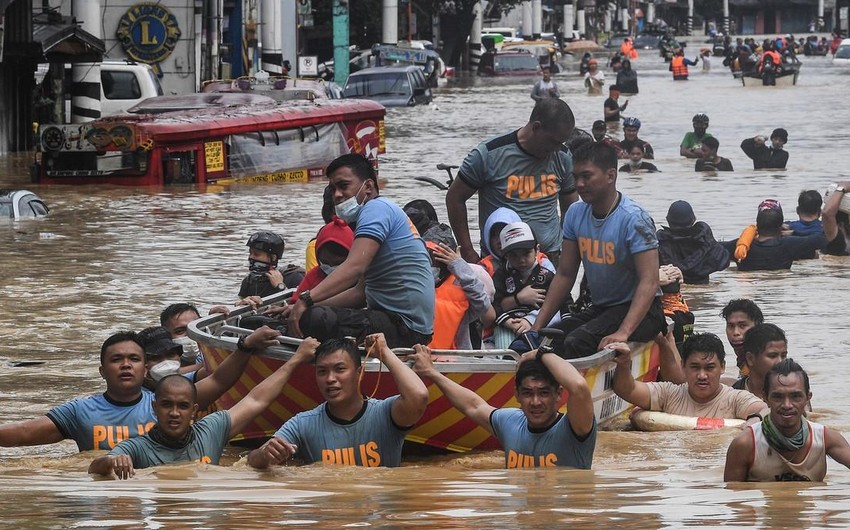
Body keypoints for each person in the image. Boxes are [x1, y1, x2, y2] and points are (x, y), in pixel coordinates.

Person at [0, 327, 280, 452]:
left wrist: (245, 346)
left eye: (133, 359)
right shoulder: (80, 411)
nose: (125, 365)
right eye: (116, 360)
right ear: (102, 371)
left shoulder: (167, 404)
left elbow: (219, 382)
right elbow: (24, 433)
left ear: (145, 368)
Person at [88, 338, 322, 478]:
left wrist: (296, 359)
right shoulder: (137, 447)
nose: (175, 413)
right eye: (167, 405)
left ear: (194, 411)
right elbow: (95, 468)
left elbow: (256, 400)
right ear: (155, 407)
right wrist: (109, 463)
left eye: (183, 406)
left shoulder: (212, 429)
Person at [279, 154, 434, 348]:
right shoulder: (376, 213)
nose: (336, 195)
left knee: (315, 319)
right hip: (401, 324)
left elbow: (355, 267)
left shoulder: (376, 209)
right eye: (333, 188)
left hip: (405, 328)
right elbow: (359, 294)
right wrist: (302, 307)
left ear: (368, 187)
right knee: (303, 314)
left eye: (343, 186)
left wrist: (306, 300)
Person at [529, 141, 667, 359]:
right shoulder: (575, 213)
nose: (579, 184)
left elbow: (649, 282)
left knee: (577, 342)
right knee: (551, 338)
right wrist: (536, 328)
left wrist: (623, 332)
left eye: (587, 176)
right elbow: (565, 274)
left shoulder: (634, 219)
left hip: (644, 312)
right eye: (575, 177)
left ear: (611, 175)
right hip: (602, 307)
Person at [246, 334, 428, 468]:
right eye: (322, 371)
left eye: (340, 369)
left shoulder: (385, 413)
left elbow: (419, 396)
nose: (330, 379)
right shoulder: (303, 424)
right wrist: (265, 455)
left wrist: (385, 353)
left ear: (359, 373)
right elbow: (250, 462)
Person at [409, 343, 596, 468]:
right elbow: (473, 406)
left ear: (559, 394)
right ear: (517, 395)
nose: (536, 402)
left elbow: (579, 386)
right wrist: (431, 373)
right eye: (528, 393)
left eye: (544, 393)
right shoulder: (510, 422)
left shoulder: (576, 427)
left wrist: (540, 353)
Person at [446, 98, 577, 268]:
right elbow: (454, 198)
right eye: (553, 142)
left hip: (549, 258)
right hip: (501, 260)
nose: (556, 149)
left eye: (562, 143)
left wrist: (567, 249)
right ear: (536, 127)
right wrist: (468, 251)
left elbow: (571, 208)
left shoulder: (563, 157)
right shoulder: (489, 154)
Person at [724, 359, 850, 481]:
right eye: (778, 397)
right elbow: (733, 497)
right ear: (765, 398)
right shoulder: (745, 444)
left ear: (808, 398)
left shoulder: (826, 439)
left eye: (795, 396)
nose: (787, 405)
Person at [611, 333, 766, 420]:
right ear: (683, 366)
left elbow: (763, 411)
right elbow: (627, 389)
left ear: (723, 367)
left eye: (710, 368)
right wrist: (624, 364)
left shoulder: (735, 399)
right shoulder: (669, 394)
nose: (702, 375)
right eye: (695, 367)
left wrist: (752, 425)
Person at [491, 222, 560, 347]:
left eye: (526, 253)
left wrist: (531, 320)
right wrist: (508, 322)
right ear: (505, 255)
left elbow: (562, 304)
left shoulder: (547, 275)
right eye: (513, 255)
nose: (521, 260)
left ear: (537, 250)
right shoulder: (500, 276)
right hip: (508, 324)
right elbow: (492, 305)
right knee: (506, 351)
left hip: (540, 323)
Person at [426, 238, 494, 350]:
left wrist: (459, 265)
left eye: (438, 260)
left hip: (457, 359)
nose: (432, 265)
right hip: (419, 356)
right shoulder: (413, 288)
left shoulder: (464, 285)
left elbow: (483, 304)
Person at [734, 204, 831, 271]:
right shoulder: (789, 244)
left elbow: (720, 254)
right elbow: (823, 238)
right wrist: (794, 232)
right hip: (781, 286)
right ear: (781, 227)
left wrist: (748, 234)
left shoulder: (740, 247)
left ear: (757, 226)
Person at [656, 200, 730, 284]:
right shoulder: (706, 239)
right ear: (693, 219)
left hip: (674, 291)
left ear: (667, 220)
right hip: (704, 291)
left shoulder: (659, 242)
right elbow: (723, 260)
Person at [289, 216, 354, 304]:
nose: (330, 267)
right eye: (325, 262)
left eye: (337, 263)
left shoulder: (356, 278)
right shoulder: (313, 276)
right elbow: (294, 303)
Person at [237, 231, 304, 305]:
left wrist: (280, 286)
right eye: (250, 253)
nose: (251, 257)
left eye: (256, 254)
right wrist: (242, 303)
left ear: (273, 257)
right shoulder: (248, 281)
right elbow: (240, 304)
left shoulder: (293, 277)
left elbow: (299, 306)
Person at [732, 324, 788, 401]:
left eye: (784, 356)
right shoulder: (732, 397)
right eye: (772, 356)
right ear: (750, 359)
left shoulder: (794, 392)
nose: (780, 362)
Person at [721, 299, 765, 374]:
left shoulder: (763, 362)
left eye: (742, 326)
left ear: (757, 326)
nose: (735, 332)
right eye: (731, 326)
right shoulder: (743, 358)